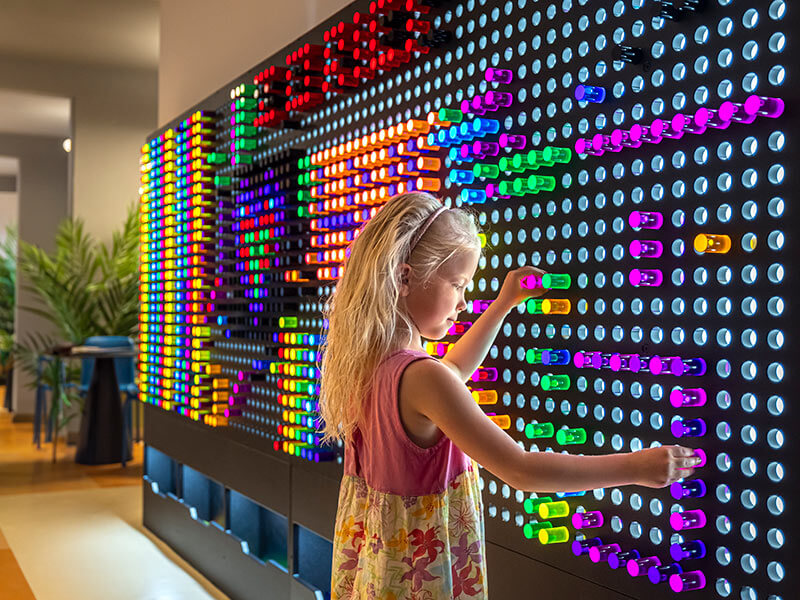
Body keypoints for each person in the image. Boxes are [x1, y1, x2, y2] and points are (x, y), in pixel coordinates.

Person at [319, 191, 700, 599]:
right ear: (406, 277)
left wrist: (502, 305)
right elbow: (520, 469)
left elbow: (451, 371)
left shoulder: (374, 364)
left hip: (377, 580)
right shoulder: (422, 378)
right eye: (458, 284)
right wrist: (636, 468)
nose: (463, 302)